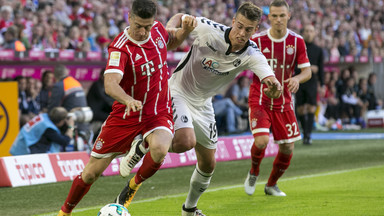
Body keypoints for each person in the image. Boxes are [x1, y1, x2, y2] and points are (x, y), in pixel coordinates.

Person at [118, 3, 282, 215]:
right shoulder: (208, 29)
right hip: (177, 91)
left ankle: (189, 209)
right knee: (186, 141)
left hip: (203, 104)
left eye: (248, 30)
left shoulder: (252, 54)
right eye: (239, 26)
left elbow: (270, 78)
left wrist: (275, 88)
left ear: (255, 30)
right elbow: (179, 16)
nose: (242, 33)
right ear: (233, 22)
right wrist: (171, 30)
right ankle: (145, 142)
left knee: (208, 163)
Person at [57, 0, 196, 215]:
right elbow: (110, 84)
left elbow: (172, 41)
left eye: (147, 26)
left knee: (160, 149)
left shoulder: (157, 31)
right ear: (129, 17)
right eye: (138, 25)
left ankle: (131, 187)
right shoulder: (120, 47)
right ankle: (64, 211)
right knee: (90, 174)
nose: (142, 31)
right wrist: (128, 100)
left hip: (157, 111)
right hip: (126, 115)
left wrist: (184, 31)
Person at [244, 0, 311, 197]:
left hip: (284, 101)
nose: (278, 19)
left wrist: (298, 79)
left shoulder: (297, 41)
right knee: (262, 140)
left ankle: (271, 184)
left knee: (288, 147)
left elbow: (307, 71)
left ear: (288, 16)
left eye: (282, 15)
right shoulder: (256, 40)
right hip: (260, 97)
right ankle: (254, 172)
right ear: (269, 17)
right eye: (274, 16)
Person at [48, 64, 91, 150]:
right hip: (83, 123)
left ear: (55, 76)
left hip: (68, 124)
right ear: (66, 72)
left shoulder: (59, 85)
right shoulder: (75, 82)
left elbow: (53, 109)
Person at [295, 24, 324, 145]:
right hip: (299, 81)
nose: (309, 33)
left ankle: (308, 135)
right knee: (301, 109)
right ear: (303, 33)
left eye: (311, 31)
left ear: (314, 33)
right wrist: (309, 68)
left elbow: (321, 69)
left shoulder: (318, 50)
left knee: (311, 107)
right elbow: (293, 66)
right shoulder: (298, 48)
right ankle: (305, 134)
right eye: (307, 31)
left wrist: (322, 85)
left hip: (312, 82)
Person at [10, 107, 74, 155]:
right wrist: (71, 126)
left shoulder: (44, 117)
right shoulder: (48, 128)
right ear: (61, 121)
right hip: (23, 151)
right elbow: (65, 141)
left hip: (19, 145)